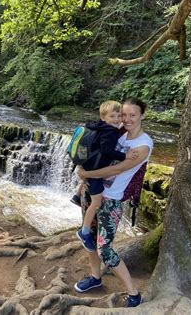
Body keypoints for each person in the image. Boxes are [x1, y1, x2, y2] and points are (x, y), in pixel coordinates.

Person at [74, 98, 153, 308]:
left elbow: (117, 169)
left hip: (111, 200)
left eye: (132, 115)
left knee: (105, 249)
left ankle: (134, 293)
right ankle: (95, 276)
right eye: (123, 114)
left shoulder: (143, 145)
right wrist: (85, 181)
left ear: (142, 115)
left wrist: (85, 174)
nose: (126, 119)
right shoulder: (117, 132)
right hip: (92, 191)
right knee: (88, 237)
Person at [71, 100, 138, 253]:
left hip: (90, 164)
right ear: (103, 118)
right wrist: (124, 155)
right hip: (95, 172)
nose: (117, 119)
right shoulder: (109, 131)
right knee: (96, 202)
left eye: (119, 116)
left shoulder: (100, 126)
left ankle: (76, 195)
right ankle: (84, 231)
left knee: (92, 195)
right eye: (112, 116)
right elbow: (107, 150)